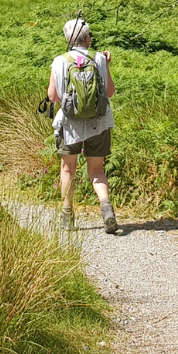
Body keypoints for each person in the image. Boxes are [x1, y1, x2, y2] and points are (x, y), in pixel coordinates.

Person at [48, 17, 120, 234]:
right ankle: (106, 208)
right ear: (87, 39)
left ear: (68, 40)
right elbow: (109, 93)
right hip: (99, 123)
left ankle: (67, 215)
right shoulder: (99, 58)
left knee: (68, 168)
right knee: (97, 170)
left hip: (69, 125)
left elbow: (52, 97)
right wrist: (105, 66)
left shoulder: (59, 60)